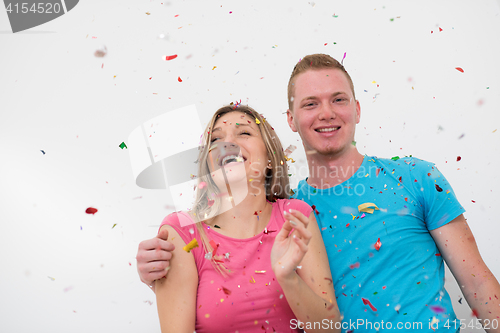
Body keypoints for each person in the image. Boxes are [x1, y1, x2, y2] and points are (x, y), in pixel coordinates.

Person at [137, 55, 500, 332]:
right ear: (292, 119)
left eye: (338, 99)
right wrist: (159, 268)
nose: (326, 113)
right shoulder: (289, 213)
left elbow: (478, 281)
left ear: (356, 109)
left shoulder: (416, 177)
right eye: (310, 103)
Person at [152, 104, 340, 332]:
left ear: (270, 159)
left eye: (244, 133)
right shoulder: (181, 232)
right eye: (215, 139)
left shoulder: (294, 216)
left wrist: (288, 278)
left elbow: (329, 328)